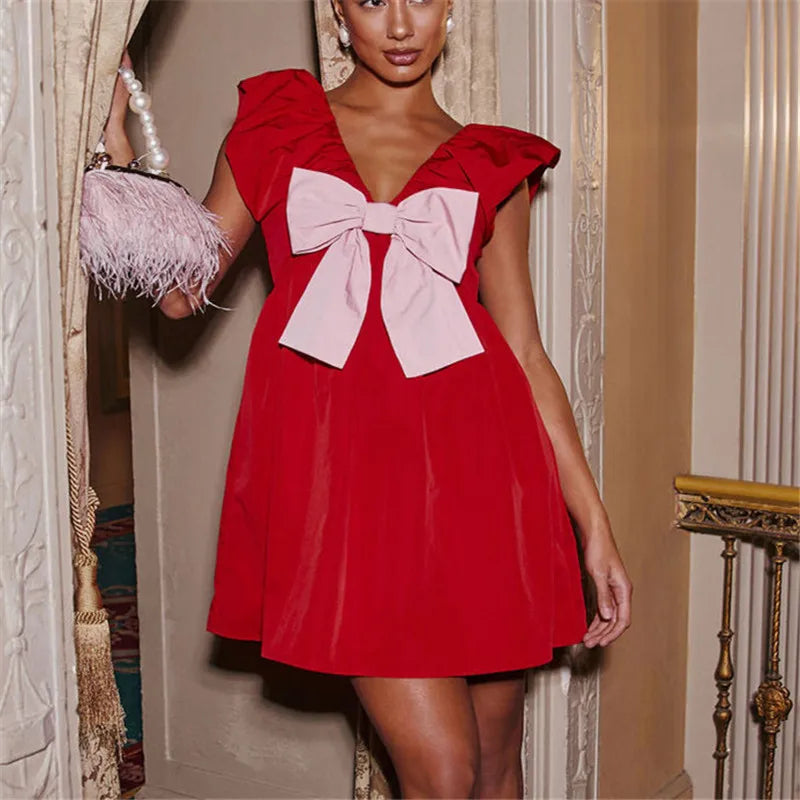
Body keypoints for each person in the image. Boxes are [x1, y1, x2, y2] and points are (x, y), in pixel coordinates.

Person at [104, 1, 631, 797]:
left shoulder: (490, 163)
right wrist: (111, 150)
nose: (400, 23)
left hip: (485, 485)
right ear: (340, 12)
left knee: (496, 762)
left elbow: (523, 352)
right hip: (353, 501)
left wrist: (594, 525)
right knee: (442, 774)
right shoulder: (278, 125)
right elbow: (181, 296)